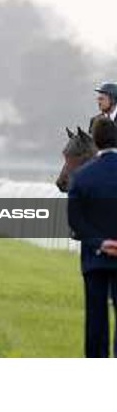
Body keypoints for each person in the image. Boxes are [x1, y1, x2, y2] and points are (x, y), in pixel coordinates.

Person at [68, 117, 117, 357]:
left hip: (94, 260)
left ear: (94, 143)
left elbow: (75, 222)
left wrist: (100, 243)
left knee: (96, 318)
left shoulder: (81, 176)